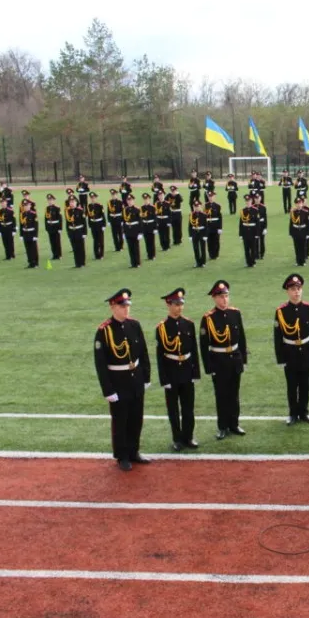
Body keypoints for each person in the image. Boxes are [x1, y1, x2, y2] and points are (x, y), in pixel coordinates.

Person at [94, 288, 152, 472]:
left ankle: (134, 451)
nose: (126, 309)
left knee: (136, 418)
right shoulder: (104, 331)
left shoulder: (134, 325)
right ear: (113, 307)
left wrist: (146, 376)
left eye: (127, 305)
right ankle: (122, 455)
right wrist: (108, 390)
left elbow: (143, 352)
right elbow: (101, 364)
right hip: (118, 381)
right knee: (120, 420)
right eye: (122, 306)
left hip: (136, 378)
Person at [200, 280, 248, 440]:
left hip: (234, 358)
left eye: (226, 296)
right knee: (221, 396)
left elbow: (241, 338)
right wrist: (208, 367)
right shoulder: (208, 318)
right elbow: (203, 345)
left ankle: (234, 424)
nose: (224, 300)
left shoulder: (235, 313)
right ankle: (222, 427)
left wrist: (243, 360)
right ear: (214, 298)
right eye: (221, 297)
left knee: (234, 395)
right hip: (218, 361)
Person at [156, 287, 201, 451]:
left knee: (188, 407)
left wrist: (196, 372)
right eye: (175, 304)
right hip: (171, 372)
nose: (179, 307)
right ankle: (177, 438)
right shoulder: (161, 328)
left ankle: (188, 436)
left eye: (181, 304)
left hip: (187, 370)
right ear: (168, 305)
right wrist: (164, 379)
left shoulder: (189, 324)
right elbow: (160, 355)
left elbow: (194, 349)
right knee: (173, 410)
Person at [275, 274, 309, 425]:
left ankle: (304, 412)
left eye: (299, 288)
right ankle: (293, 413)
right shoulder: (281, 311)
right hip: (290, 352)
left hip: (306, 350)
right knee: (292, 385)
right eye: (293, 289)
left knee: (305, 385)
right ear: (288, 291)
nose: (297, 292)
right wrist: (280, 358)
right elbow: (278, 336)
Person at [239, 193, 262, 268]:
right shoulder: (243, 211)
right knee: (246, 248)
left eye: (248, 201)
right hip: (245, 231)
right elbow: (241, 223)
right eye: (246, 201)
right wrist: (240, 234)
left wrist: (257, 234)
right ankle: (247, 262)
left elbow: (257, 223)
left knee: (253, 248)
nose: (247, 202)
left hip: (252, 231)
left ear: (251, 201)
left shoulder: (255, 210)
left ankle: (252, 262)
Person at [289, 196, 309, 266]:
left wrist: (308, 233)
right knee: (297, 247)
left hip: (303, 230)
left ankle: (303, 261)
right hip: (296, 231)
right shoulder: (293, 212)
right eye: (297, 203)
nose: (299, 205)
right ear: (295, 204)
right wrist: (291, 232)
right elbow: (291, 223)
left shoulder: (305, 212)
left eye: (300, 203)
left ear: (302, 204)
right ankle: (298, 261)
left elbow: (308, 223)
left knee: (303, 246)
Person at [65, 196, 88, 268]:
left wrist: (84, 233)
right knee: (75, 248)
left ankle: (82, 263)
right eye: (70, 202)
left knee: (80, 248)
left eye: (73, 202)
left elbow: (84, 223)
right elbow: (67, 223)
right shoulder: (67, 211)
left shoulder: (80, 210)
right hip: (72, 231)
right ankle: (77, 263)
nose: (71, 203)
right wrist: (68, 232)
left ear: (76, 202)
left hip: (79, 231)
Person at [122, 195, 142, 268]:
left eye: (130, 200)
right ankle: (132, 263)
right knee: (130, 247)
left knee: (136, 247)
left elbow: (140, 222)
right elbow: (123, 221)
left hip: (135, 230)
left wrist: (140, 233)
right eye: (128, 200)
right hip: (128, 230)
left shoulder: (137, 209)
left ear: (133, 201)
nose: (129, 202)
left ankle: (137, 262)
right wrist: (123, 232)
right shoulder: (125, 210)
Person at [19, 198, 39, 268]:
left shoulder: (33, 214)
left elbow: (36, 225)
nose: (26, 207)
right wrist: (21, 235)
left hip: (32, 233)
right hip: (25, 233)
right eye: (24, 205)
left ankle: (35, 263)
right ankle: (30, 262)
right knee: (27, 249)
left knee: (33, 248)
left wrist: (35, 235)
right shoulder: (22, 214)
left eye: (27, 205)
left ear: (30, 205)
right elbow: (21, 225)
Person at [188, 200, 208, 267]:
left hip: (202, 232)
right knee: (195, 248)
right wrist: (190, 235)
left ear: (200, 206)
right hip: (194, 232)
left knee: (202, 248)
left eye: (198, 206)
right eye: (195, 206)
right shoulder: (191, 215)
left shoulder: (204, 215)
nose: (196, 208)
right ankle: (197, 262)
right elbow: (190, 226)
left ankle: (203, 262)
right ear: (193, 207)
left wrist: (205, 235)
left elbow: (206, 226)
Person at [86, 192, 105, 260]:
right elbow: (88, 216)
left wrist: (103, 225)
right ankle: (96, 254)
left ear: (96, 198)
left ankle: (101, 254)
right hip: (93, 224)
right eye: (91, 198)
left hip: (99, 224)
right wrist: (89, 225)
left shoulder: (99, 205)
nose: (92, 199)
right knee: (95, 240)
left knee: (101, 240)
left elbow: (103, 216)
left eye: (94, 198)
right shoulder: (89, 206)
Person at [43, 194, 63, 261]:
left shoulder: (57, 208)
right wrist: (46, 227)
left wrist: (60, 228)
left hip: (56, 227)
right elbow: (46, 219)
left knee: (57, 241)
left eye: (51, 200)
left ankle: (59, 255)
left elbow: (60, 219)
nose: (50, 201)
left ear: (54, 200)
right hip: (50, 227)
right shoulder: (47, 208)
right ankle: (54, 255)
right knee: (52, 242)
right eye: (49, 200)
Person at [204, 191, 222, 260]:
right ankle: (211, 254)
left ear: (214, 197)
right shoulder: (205, 206)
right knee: (209, 241)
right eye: (209, 196)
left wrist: (220, 228)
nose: (210, 198)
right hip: (208, 225)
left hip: (215, 225)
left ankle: (216, 254)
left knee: (216, 240)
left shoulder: (218, 206)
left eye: (212, 196)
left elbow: (219, 217)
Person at [139, 193, 157, 261]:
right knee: (146, 241)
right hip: (144, 226)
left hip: (151, 225)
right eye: (144, 199)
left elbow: (155, 218)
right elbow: (141, 219)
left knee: (151, 241)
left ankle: (153, 255)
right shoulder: (141, 208)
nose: (145, 200)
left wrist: (155, 228)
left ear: (149, 199)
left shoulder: (153, 207)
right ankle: (149, 255)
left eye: (146, 199)